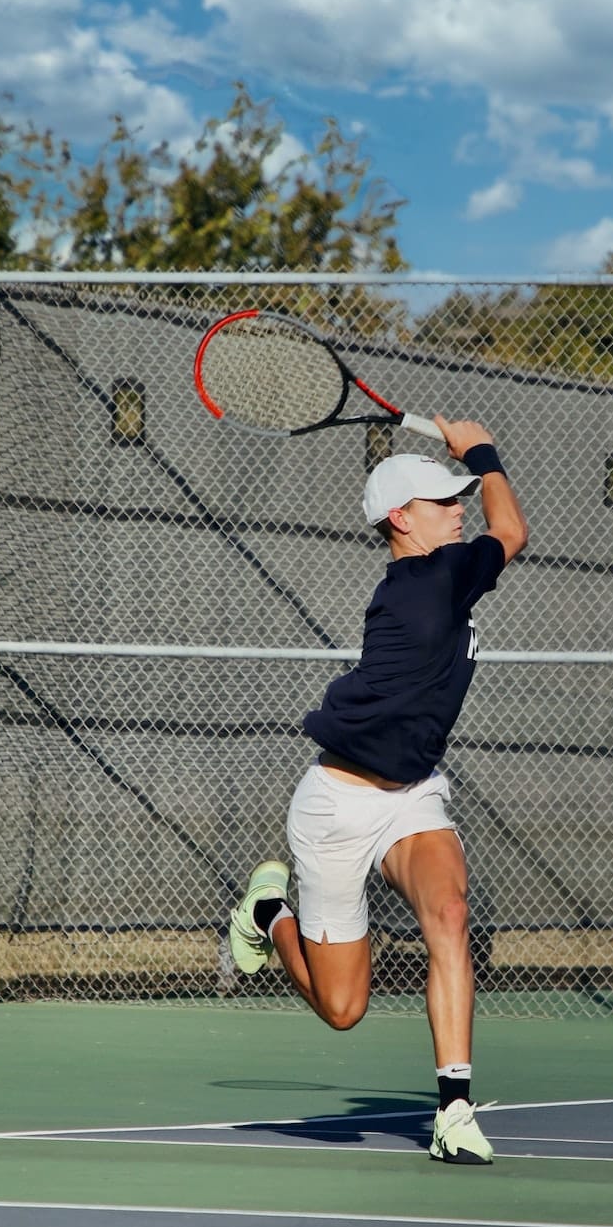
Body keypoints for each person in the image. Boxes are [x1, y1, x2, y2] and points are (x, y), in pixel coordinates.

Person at [227, 416, 527, 1166]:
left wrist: (463, 463)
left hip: (414, 794)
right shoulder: (432, 581)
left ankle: (453, 1110)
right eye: (442, 501)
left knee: (450, 912)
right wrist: (481, 452)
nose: (459, 508)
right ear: (401, 519)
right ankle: (269, 912)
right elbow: (513, 530)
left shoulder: (440, 575)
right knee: (342, 1009)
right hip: (337, 805)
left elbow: (495, 528)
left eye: (459, 496)